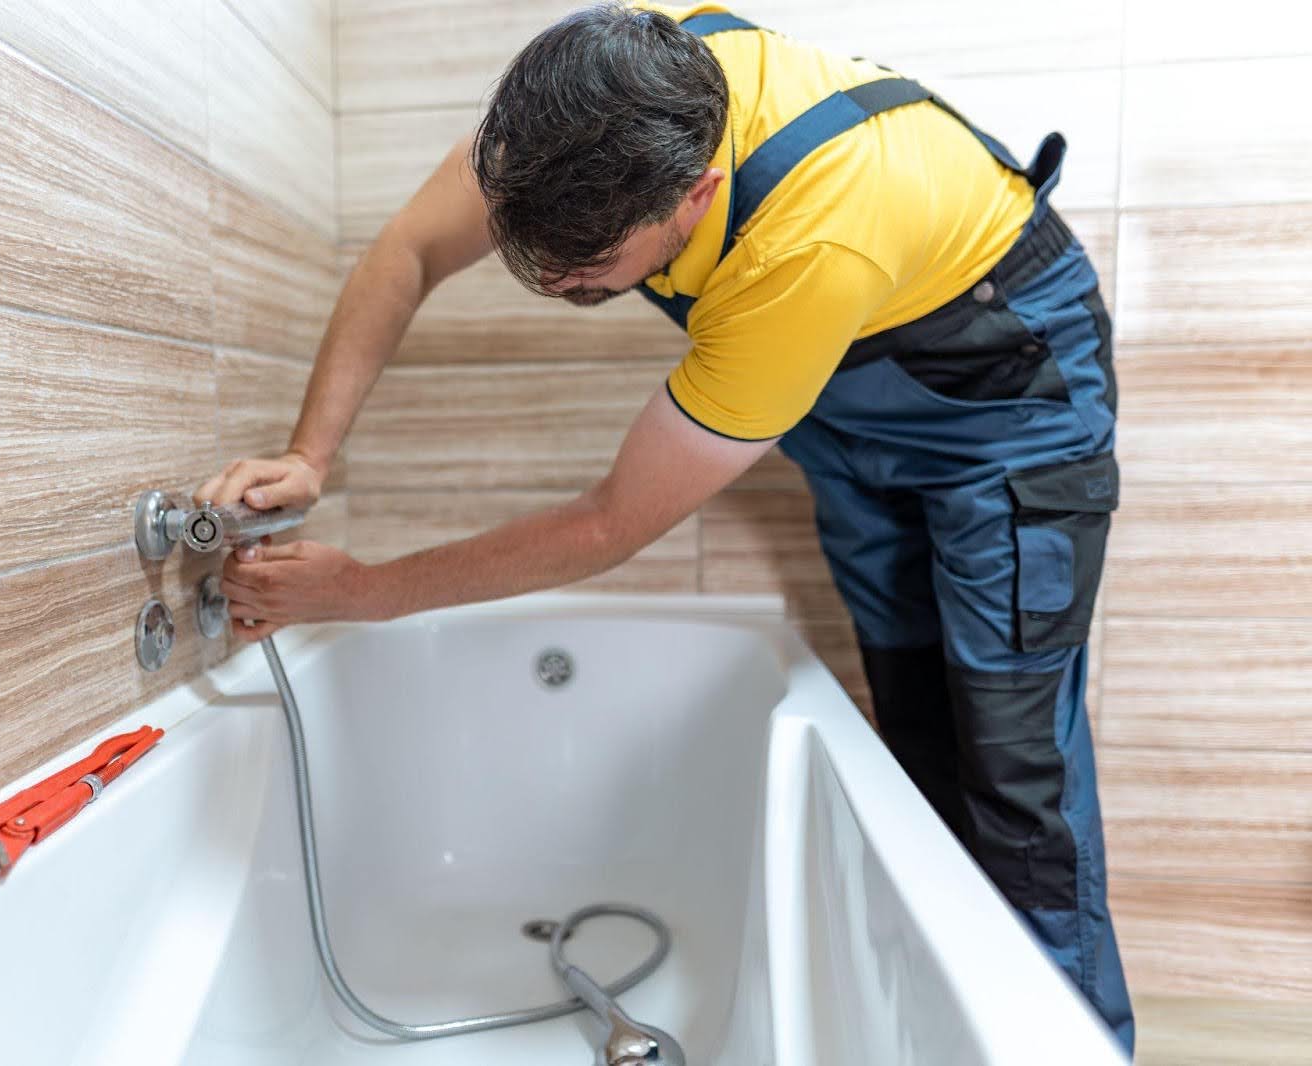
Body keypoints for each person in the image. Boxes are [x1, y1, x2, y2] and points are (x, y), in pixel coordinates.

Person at [197, 3, 1133, 1050]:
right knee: (914, 723)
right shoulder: (579, 110)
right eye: (532, 259)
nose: (554, 286)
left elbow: (607, 525)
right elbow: (411, 249)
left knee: (1014, 774)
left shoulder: (803, 241)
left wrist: (363, 593)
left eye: (586, 270)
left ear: (698, 193)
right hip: (844, 392)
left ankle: (1074, 1041)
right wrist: (311, 453)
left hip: (1004, 393)